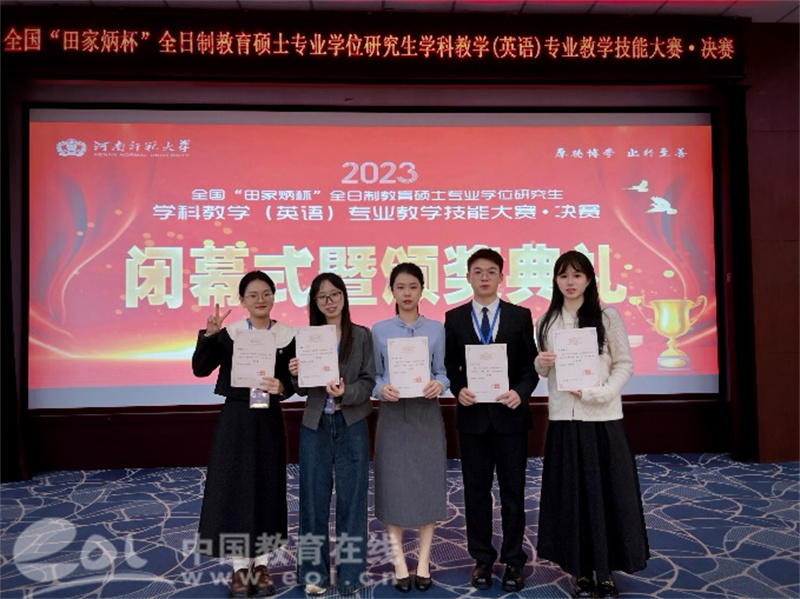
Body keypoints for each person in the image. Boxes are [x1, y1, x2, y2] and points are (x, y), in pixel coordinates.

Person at [534, 250, 649, 599]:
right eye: (563, 276)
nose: (570, 282)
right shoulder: (547, 321)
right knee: (572, 498)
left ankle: (606, 571)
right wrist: (541, 363)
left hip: (602, 419)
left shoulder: (606, 316)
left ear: (589, 279)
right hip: (564, 421)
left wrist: (602, 393)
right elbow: (544, 372)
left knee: (607, 497)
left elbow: (624, 364)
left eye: (577, 275)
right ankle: (581, 571)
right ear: (555, 281)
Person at [192, 270, 295, 598]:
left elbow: (293, 381)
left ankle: (262, 565)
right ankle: (239, 568)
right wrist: (210, 335)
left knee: (267, 487)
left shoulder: (287, 336)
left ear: (274, 296)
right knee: (234, 488)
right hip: (236, 418)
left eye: (266, 293)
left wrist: (284, 387)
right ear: (243, 301)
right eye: (253, 295)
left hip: (269, 419)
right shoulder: (230, 334)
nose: (260, 299)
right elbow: (200, 369)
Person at [444, 247, 538, 593]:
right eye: (478, 271)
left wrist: (521, 393)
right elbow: (450, 366)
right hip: (473, 419)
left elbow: (529, 367)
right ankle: (482, 558)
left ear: (501, 276)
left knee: (513, 492)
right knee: (476, 493)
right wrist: (458, 389)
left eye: (491, 271)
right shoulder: (454, 318)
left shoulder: (519, 315)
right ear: (468, 277)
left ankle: (514, 559)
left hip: (510, 416)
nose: (484, 277)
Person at [288, 272, 375, 596]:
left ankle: (351, 575)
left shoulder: (361, 336)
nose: (330, 301)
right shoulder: (305, 337)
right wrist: (295, 374)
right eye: (322, 296)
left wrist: (345, 391)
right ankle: (314, 573)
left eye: (335, 294)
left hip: (351, 424)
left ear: (344, 297)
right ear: (314, 302)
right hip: (316, 426)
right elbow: (300, 388)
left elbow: (368, 382)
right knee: (312, 502)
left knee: (353, 503)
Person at [371, 263, 450, 594]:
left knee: (427, 484)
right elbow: (374, 375)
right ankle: (399, 562)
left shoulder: (436, 328)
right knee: (393, 485)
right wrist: (381, 389)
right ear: (392, 291)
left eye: (413, 286)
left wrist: (439, 384)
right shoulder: (378, 330)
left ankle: (424, 561)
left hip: (425, 413)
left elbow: (442, 371)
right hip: (392, 414)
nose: (407, 293)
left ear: (422, 290)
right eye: (400, 287)